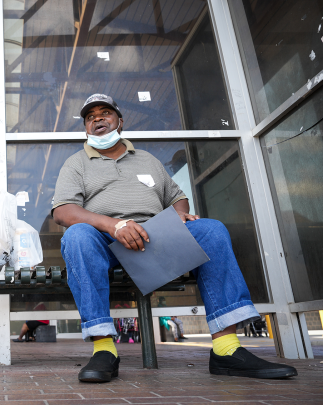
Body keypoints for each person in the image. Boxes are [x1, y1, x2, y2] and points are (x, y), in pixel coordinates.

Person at [52, 94, 297, 383]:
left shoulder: (147, 160)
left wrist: (179, 214)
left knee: (211, 230)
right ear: (86, 128)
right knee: (77, 234)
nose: (98, 119)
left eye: (105, 113)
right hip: (106, 242)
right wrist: (114, 225)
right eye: (90, 117)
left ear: (120, 121)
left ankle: (226, 350)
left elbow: (177, 197)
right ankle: (104, 349)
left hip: (155, 237)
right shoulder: (76, 163)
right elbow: (63, 211)